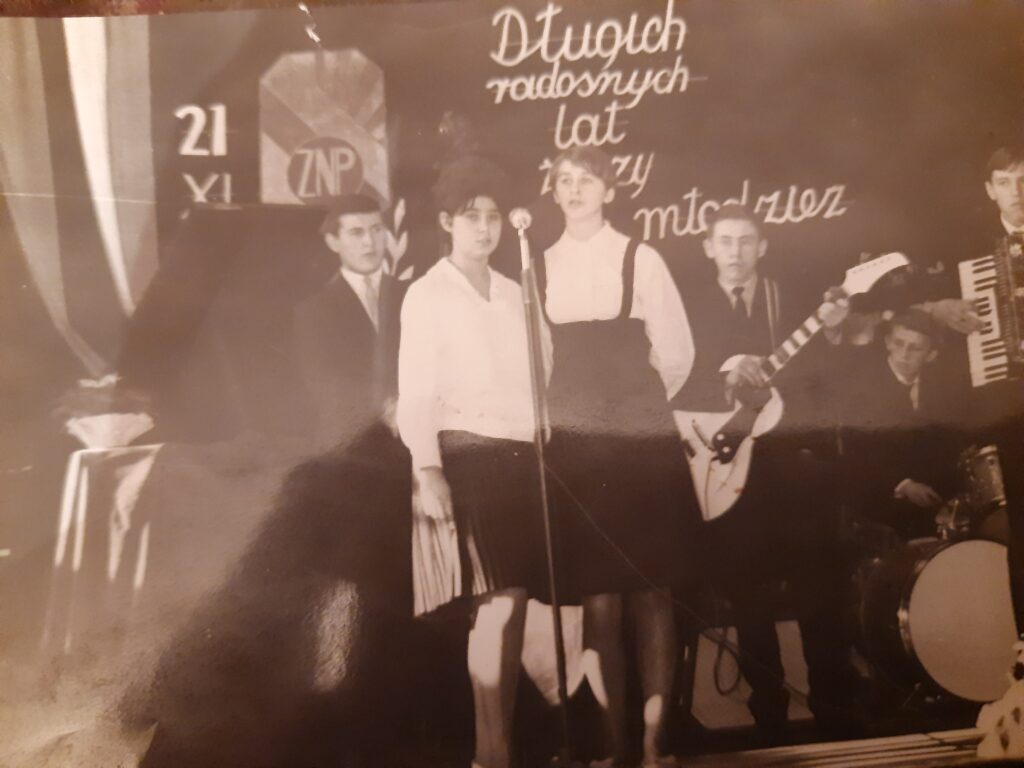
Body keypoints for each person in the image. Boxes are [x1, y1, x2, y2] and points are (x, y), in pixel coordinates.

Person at [671, 203, 861, 744]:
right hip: (726, 466)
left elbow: (824, 379)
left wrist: (833, 333)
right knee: (747, 593)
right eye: (725, 241)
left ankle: (834, 707)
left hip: (790, 468)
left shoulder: (788, 300)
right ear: (708, 247)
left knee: (819, 585)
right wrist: (727, 374)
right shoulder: (685, 309)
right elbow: (673, 381)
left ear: (762, 247)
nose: (735, 252)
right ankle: (768, 710)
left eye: (746, 241)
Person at [538, 145, 697, 768]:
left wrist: (635, 409)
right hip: (579, 451)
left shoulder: (641, 257)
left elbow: (676, 355)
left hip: (638, 441)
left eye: (587, 179)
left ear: (609, 189)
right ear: (554, 193)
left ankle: (655, 742)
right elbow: (539, 363)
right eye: (564, 180)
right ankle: (613, 747)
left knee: (653, 592)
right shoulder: (537, 266)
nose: (575, 189)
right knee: (599, 599)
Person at [396, 156, 551, 768]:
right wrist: (428, 467)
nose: (484, 228)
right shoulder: (427, 293)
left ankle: (496, 751)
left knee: (512, 608)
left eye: (492, 217)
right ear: (447, 222)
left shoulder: (515, 291)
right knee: (495, 608)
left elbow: (543, 370)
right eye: (471, 217)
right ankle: (492, 756)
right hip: (464, 459)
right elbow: (415, 390)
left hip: (517, 459)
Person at [292, 193, 405, 452]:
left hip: (413, 437)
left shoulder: (413, 295)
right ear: (333, 241)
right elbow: (324, 385)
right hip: (348, 445)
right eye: (356, 233)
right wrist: (386, 406)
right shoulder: (313, 311)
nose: (369, 242)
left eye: (376, 230)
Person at [840, 309, 963, 542]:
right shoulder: (862, 389)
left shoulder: (940, 386)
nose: (904, 355)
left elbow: (945, 443)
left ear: (931, 355)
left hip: (930, 492)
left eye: (915, 348)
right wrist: (904, 485)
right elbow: (858, 457)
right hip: (880, 497)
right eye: (899, 343)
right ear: (887, 342)